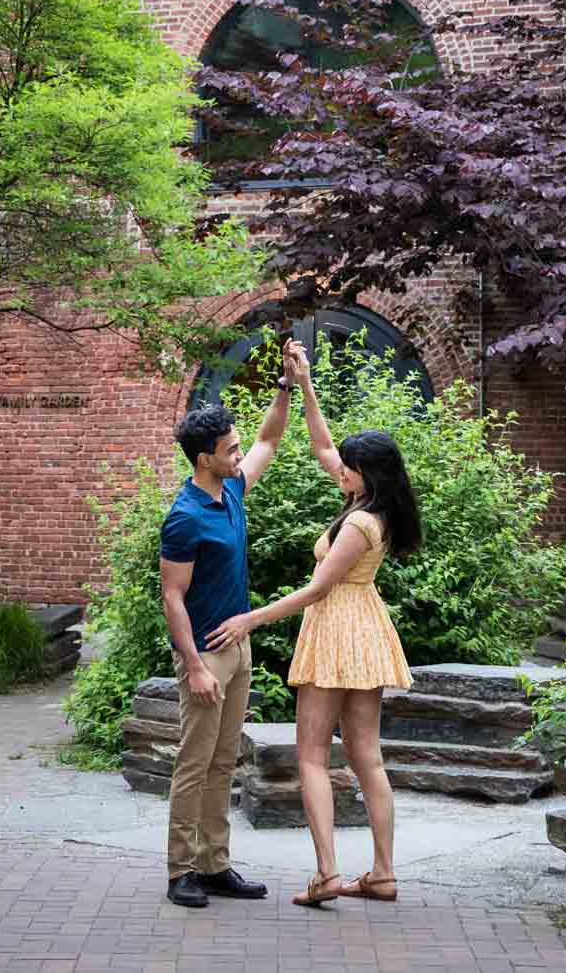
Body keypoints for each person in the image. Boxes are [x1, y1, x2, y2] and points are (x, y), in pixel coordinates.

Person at [207, 339, 422, 908]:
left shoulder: (359, 523)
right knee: (366, 755)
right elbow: (323, 444)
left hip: (336, 629)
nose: (338, 470)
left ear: (364, 475)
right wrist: (302, 383)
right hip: (366, 630)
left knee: (310, 756)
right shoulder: (373, 502)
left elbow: (317, 590)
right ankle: (381, 873)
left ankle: (328, 873)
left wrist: (250, 618)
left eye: (348, 468)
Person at [158, 349, 296, 910]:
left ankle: (214, 865)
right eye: (229, 450)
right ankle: (179, 871)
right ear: (203, 459)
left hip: (238, 649)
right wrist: (193, 666)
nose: (240, 453)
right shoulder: (185, 516)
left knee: (223, 761)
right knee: (194, 764)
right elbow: (172, 596)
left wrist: (287, 386)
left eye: (236, 446)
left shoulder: (232, 488)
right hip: (205, 656)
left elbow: (267, 442)